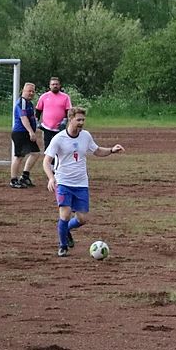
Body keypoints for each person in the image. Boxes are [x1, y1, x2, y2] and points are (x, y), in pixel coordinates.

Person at [43, 107, 124, 257]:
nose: (81, 123)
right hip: (63, 182)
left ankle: (66, 229)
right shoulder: (59, 139)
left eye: (83, 120)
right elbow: (46, 161)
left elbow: (97, 151)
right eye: (78, 119)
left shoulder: (86, 136)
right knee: (65, 214)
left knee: (82, 219)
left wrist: (112, 150)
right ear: (70, 119)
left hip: (81, 183)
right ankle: (63, 246)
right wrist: (51, 178)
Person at [9, 82, 41, 188]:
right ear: (23, 91)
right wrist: (31, 132)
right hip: (20, 133)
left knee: (35, 153)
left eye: (33, 91)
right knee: (19, 156)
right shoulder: (21, 102)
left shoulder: (29, 104)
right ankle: (13, 180)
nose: (31, 93)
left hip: (26, 133)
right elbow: (24, 118)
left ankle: (25, 176)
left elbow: (32, 118)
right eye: (29, 91)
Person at [35, 77, 72, 151]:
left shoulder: (65, 97)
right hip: (46, 127)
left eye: (56, 84)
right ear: (50, 86)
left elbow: (68, 111)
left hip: (60, 128)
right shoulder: (44, 96)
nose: (55, 86)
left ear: (59, 85)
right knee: (48, 148)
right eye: (53, 84)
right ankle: (49, 162)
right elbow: (38, 110)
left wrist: (65, 121)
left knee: (60, 148)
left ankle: (58, 162)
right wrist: (36, 121)